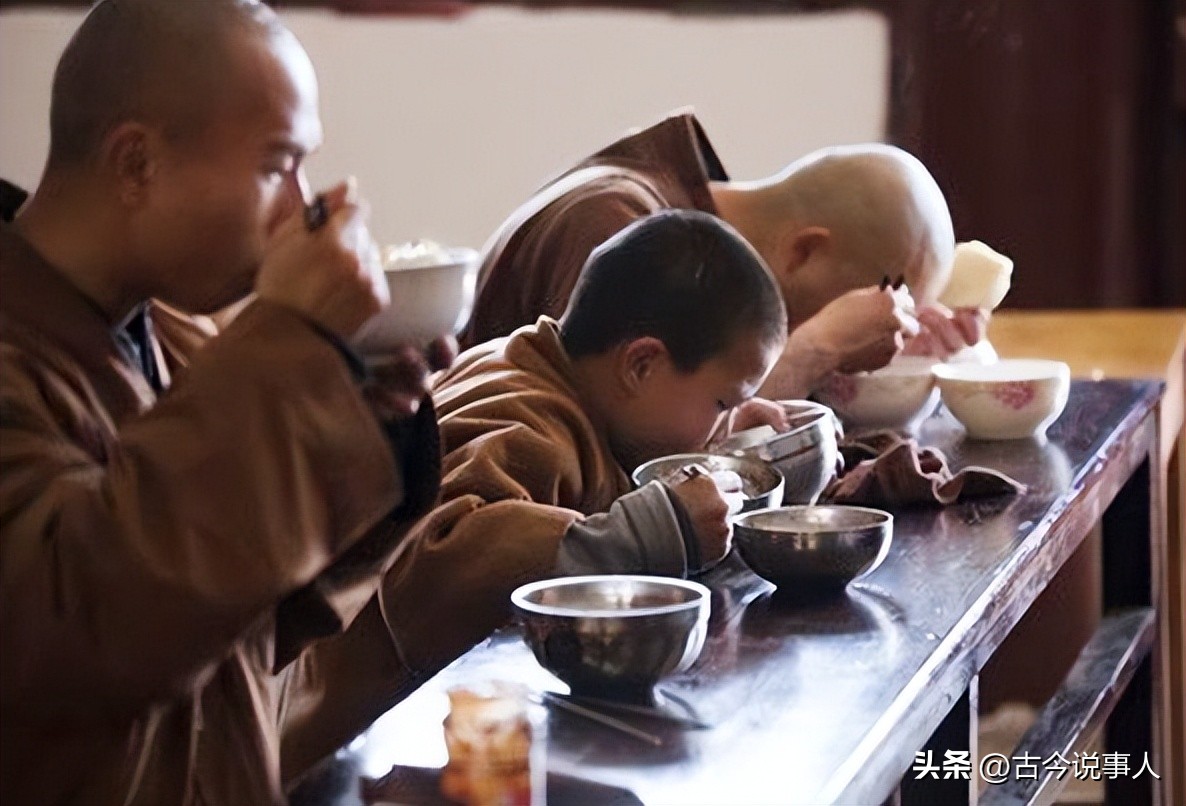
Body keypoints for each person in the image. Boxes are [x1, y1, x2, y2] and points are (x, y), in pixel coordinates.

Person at [0, 1, 449, 803]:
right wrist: (289, 349)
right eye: (278, 166)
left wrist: (360, 417)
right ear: (136, 162)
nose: (301, 209)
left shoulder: (164, 332)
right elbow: (84, 627)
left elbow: (232, 620)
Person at [378, 209, 787, 682]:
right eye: (722, 402)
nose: (725, 421)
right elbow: (431, 570)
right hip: (372, 730)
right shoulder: (529, 426)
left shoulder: (538, 365)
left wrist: (730, 436)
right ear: (641, 366)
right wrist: (645, 533)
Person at [460, 110, 984, 399]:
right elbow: (636, 456)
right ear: (805, 250)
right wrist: (819, 348)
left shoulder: (698, 235)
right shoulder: (619, 224)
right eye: (878, 299)